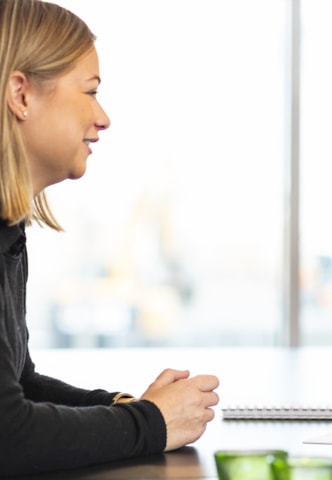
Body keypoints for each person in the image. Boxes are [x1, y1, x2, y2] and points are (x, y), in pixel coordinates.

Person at [0, 0, 219, 476]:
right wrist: (149, 421)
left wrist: (130, 408)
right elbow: (7, 432)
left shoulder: (8, 231)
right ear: (21, 94)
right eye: (90, 92)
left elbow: (19, 383)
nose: (103, 118)